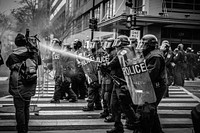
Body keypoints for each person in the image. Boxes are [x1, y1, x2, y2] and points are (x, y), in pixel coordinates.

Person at [6, 33, 41, 133]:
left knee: (19, 109)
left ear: (16, 43)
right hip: (30, 83)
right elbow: (38, 63)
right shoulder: (32, 53)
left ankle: (21, 129)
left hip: (17, 85)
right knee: (26, 107)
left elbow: (8, 64)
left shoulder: (12, 56)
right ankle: (25, 127)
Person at [106, 35, 137, 133]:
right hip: (118, 82)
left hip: (124, 83)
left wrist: (106, 65)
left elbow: (114, 62)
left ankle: (136, 124)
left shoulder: (126, 51)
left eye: (117, 43)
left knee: (125, 106)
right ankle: (118, 126)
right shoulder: (123, 51)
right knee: (114, 105)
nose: (115, 46)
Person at [137, 34, 167, 133]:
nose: (141, 45)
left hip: (156, 86)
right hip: (151, 85)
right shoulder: (149, 54)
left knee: (147, 109)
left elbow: (150, 74)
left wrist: (138, 78)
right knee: (150, 110)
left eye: (143, 43)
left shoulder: (155, 56)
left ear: (149, 45)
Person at [82, 39, 102, 111]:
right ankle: (98, 105)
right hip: (96, 75)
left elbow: (96, 65)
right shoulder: (96, 53)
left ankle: (90, 106)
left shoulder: (99, 53)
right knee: (95, 91)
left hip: (96, 75)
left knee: (92, 90)